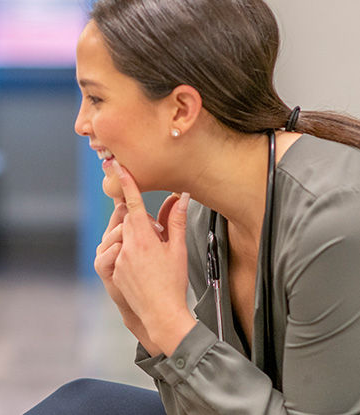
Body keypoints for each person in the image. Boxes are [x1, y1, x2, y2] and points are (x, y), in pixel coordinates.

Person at [27, 0, 360, 413]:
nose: (81, 123)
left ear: (181, 109)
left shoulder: (334, 219)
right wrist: (147, 321)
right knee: (81, 404)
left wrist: (171, 322)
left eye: (96, 98)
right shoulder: (204, 218)